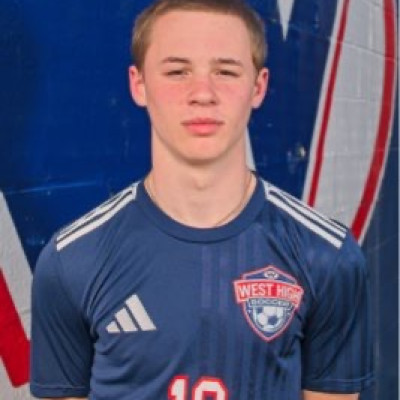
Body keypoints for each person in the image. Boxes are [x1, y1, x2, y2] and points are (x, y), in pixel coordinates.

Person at [30, 0, 374, 399]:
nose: (203, 94)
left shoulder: (327, 256)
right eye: (177, 71)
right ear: (138, 84)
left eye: (225, 71)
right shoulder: (73, 260)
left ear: (258, 87)